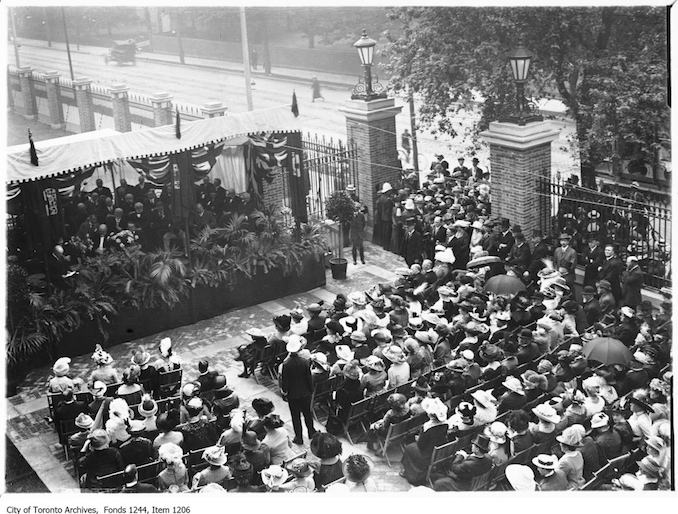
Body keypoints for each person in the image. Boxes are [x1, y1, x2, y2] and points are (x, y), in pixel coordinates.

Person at [400, 397, 448, 485]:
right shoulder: (445, 424)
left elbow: (421, 445)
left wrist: (419, 438)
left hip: (427, 454)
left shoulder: (428, 426)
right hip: (438, 452)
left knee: (409, 448)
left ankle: (408, 472)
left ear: (431, 415)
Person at [280, 335, 316, 445]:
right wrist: (311, 390)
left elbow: (285, 380)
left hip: (293, 394)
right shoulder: (304, 362)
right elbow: (308, 378)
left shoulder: (286, 364)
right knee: (307, 414)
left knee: (295, 417)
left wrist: (284, 391)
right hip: (305, 392)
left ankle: (299, 437)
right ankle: (311, 432)